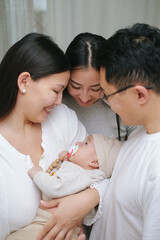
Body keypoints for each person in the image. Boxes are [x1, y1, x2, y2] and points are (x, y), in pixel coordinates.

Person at [36, 23, 160, 240]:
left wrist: (86, 199)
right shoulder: (140, 138)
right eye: (76, 86)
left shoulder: (152, 158)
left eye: (103, 92)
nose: (87, 98)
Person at [0, 32, 88, 240]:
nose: (59, 101)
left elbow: (101, 169)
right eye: (56, 91)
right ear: (24, 82)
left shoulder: (62, 119)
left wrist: (82, 203)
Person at [7, 134, 122, 240]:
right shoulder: (88, 176)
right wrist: (67, 159)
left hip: (48, 224)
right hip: (64, 230)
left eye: (86, 143)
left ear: (94, 162)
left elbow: (55, 187)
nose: (78, 143)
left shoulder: (80, 174)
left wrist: (38, 174)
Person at [64, 32, 136, 141]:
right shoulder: (55, 103)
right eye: (76, 86)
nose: (84, 98)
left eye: (95, 89)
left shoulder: (124, 104)